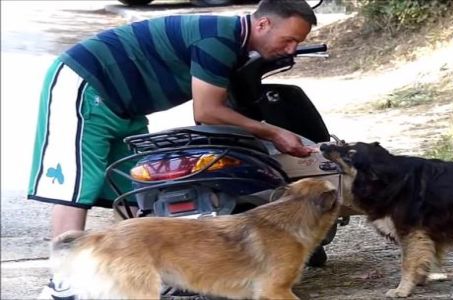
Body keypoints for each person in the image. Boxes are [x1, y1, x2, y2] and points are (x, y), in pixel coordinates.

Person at [30, 0, 317, 298]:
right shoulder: (218, 39)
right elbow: (207, 112)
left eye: (297, 43)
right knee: (77, 185)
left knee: (136, 188)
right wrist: (274, 132)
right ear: (263, 25)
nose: (292, 50)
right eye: (289, 39)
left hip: (127, 108)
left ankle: (136, 270)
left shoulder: (235, 44)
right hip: (85, 83)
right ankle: (63, 283)